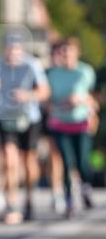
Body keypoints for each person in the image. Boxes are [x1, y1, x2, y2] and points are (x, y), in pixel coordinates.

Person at [0, 35, 50, 223]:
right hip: (6, 118)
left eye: (16, 50)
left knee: (28, 161)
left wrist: (28, 95)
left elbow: (44, 91)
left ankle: (29, 199)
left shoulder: (32, 65)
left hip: (28, 118)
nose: (12, 54)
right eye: (8, 50)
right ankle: (12, 204)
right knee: (9, 160)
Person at [46, 37, 96, 217]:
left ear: (76, 52)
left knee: (82, 162)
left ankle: (85, 187)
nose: (66, 54)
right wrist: (55, 105)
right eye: (63, 51)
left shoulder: (85, 71)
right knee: (67, 162)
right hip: (60, 123)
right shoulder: (53, 74)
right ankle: (68, 199)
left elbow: (88, 95)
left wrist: (80, 100)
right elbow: (48, 98)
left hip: (81, 122)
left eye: (69, 50)